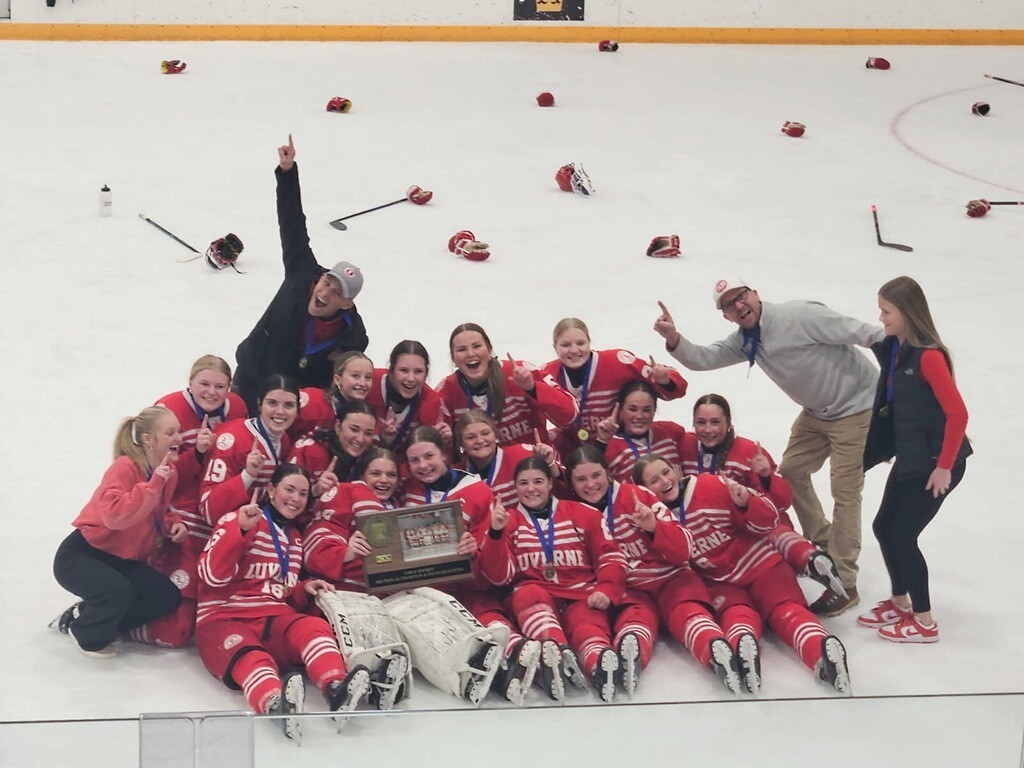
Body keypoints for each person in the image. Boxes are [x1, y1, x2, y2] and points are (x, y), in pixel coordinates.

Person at [654, 277, 886, 616]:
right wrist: (673, 338)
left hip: (858, 408)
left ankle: (846, 581)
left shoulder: (801, 316)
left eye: (741, 296)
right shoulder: (747, 340)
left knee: (845, 489)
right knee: (790, 472)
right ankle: (822, 543)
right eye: (729, 305)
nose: (738, 306)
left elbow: (864, 332)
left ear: (755, 294)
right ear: (726, 317)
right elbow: (703, 358)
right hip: (817, 413)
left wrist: (907, 363)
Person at [634, 454, 852, 695]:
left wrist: (746, 502)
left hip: (762, 566)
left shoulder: (710, 485)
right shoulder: (651, 518)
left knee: (787, 610)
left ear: (675, 469)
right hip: (720, 583)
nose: (664, 481)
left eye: (666, 472)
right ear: (644, 490)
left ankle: (821, 652)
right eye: (654, 480)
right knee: (737, 617)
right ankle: (743, 656)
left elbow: (769, 522)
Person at [196, 464, 371, 742]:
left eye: (303, 493)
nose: (296, 498)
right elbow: (210, 576)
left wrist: (303, 588)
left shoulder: (295, 538)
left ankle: (337, 688)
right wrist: (238, 530)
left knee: (312, 626)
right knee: (252, 657)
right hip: (224, 619)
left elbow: (280, 589)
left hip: (272, 618)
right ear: (270, 490)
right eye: (289, 489)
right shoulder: (241, 519)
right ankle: (276, 705)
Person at [564, 445, 742, 696]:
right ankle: (629, 659)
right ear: (571, 484)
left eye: (596, 475)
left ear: (608, 474)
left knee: (689, 613)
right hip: (630, 590)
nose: (591, 484)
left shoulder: (637, 496)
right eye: (581, 479)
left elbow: (684, 548)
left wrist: (653, 527)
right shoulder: (573, 513)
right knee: (634, 622)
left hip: (672, 579)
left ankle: (715, 649)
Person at [858, 276, 971, 643]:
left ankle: (924, 621)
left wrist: (943, 468)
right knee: (884, 526)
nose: (881, 316)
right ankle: (900, 601)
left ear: (907, 313)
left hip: (938, 463)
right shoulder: (896, 349)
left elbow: (958, 414)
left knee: (903, 535)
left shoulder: (929, 357)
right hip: (912, 457)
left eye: (887, 310)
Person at [233, 135, 368, 413]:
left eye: (336, 291)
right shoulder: (301, 273)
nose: (325, 291)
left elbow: (345, 381)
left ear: (346, 303)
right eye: (327, 281)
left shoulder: (353, 337)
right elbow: (292, 222)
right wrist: (287, 172)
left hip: (292, 407)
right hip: (251, 381)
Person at [479, 457, 629, 703]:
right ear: (514, 488)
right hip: (534, 597)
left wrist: (606, 588)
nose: (531, 489)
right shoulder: (507, 521)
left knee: (586, 622)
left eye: (538, 481)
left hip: (580, 594)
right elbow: (498, 577)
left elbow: (611, 556)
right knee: (527, 594)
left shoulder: (583, 513)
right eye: (523, 483)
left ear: (550, 484)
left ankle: (599, 664)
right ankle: (554, 652)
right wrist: (495, 533)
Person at [680, 393, 846, 600]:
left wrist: (767, 477)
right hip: (710, 533)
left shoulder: (748, 451)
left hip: (749, 523)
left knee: (769, 528)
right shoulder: (684, 446)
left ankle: (808, 559)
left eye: (715, 422)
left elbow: (782, 502)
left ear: (729, 423)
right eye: (701, 423)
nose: (708, 430)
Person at [52, 406, 187, 658]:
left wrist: (172, 524)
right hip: (82, 555)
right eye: (170, 433)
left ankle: (93, 614)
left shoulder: (169, 472)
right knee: (119, 593)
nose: (179, 438)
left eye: (178, 431)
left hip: (121, 560)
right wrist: (154, 483)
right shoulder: (125, 467)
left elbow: (157, 512)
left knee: (167, 596)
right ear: (149, 439)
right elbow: (115, 517)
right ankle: (84, 629)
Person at [137, 355, 248, 647]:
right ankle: (112, 620)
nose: (212, 392)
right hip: (179, 514)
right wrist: (197, 455)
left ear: (231, 388)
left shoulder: (237, 408)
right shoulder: (167, 410)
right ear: (190, 382)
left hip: (217, 514)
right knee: (177, 628)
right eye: (204, 384)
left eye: (220, 386)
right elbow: (154, 474)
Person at [544, 317, 688, 457]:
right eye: (566, 345)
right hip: (576, 452)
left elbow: (678, 390)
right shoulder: (546, 376)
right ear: (555, 347)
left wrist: (664, 380)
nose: (574, 350)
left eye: (581, 343)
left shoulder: (617, 362)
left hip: (620, 447)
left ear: (589, 342)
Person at [437, 323, 578, 453]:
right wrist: (446, 440)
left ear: (489, 349)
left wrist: (532, 387)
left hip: (534, 469)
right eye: (462, 349)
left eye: (476, 346)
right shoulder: (446, 392)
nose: (470, 354)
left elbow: (569, 414)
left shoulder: (521, 372)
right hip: (483, 475)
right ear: (453, 358)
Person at [199, 374, 300, 529]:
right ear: (259, 404)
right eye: (272, 403)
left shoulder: (284, 440)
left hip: (253, 529)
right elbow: (208, 512)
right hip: (216, 535)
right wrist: (247, 476)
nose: (280, 411)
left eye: (289, 405)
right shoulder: (233, 439)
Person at [456, 409, 559, 510]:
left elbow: (563, 491)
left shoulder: (523, 454)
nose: (479, 440)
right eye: (471, 437)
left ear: (496, 435)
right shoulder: (456, 476)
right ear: (461, 443)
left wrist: (549, 464)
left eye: (485, 433)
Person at [592, 381, 686, 484]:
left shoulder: (671, 432)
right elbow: (590, 475)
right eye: (633, 409)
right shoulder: (609, 448)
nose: (639, 416)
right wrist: (601, 442)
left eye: (646, 410)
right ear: (620, 410)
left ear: (654, 411)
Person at [367, 340, 445, 462]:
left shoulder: (431, 402)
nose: (411, 378)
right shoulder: (369, 383)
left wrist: (444, 441)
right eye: (403, 370)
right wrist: (383, 442)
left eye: (418, 371)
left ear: (426, 374)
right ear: (391, 371)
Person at [290, 399, 378, 495]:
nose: (360, 439)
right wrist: (315, 490)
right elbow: (285, 497)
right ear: (338, 426)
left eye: (368, 433)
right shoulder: (310, 451)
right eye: (354, 429)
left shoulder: (367, 458)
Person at [289, 351, 374, 441]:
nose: (363, 383)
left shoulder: (366, 415)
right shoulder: (313, 402)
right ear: (337, 379)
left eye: (368, 377)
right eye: (355, 376)